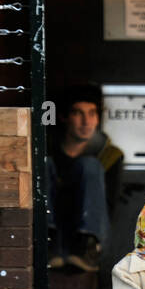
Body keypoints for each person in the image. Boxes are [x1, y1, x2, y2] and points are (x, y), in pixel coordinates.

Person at [47, 83, 123, 271]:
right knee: (43, 162)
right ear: (65, 117)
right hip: (51, 238)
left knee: (89, 165)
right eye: (78, 113)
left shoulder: (110, 155)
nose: (86, 121)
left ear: (98, 118)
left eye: (92, 113)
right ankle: (47, 241)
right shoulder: (48, 151)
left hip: (89, 241)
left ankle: (85, 247)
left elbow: (107, 208)